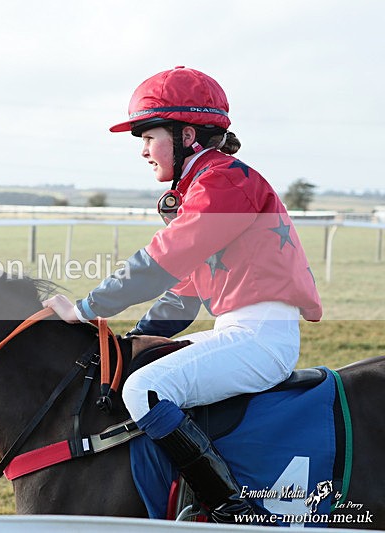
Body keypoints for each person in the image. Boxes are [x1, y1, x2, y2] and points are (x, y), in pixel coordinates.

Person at [42, 66, 322, 523]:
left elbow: (165, 257)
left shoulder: (225, 180)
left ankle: (230, 509)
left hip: (261, 337)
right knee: (138, 367)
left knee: (145, 388)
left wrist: (88, 308)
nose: (144, 151)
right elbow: (182, 295)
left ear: (186, 133)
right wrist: (129, 340)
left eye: (148, 137)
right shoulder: (207, 184)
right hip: (240, 330)